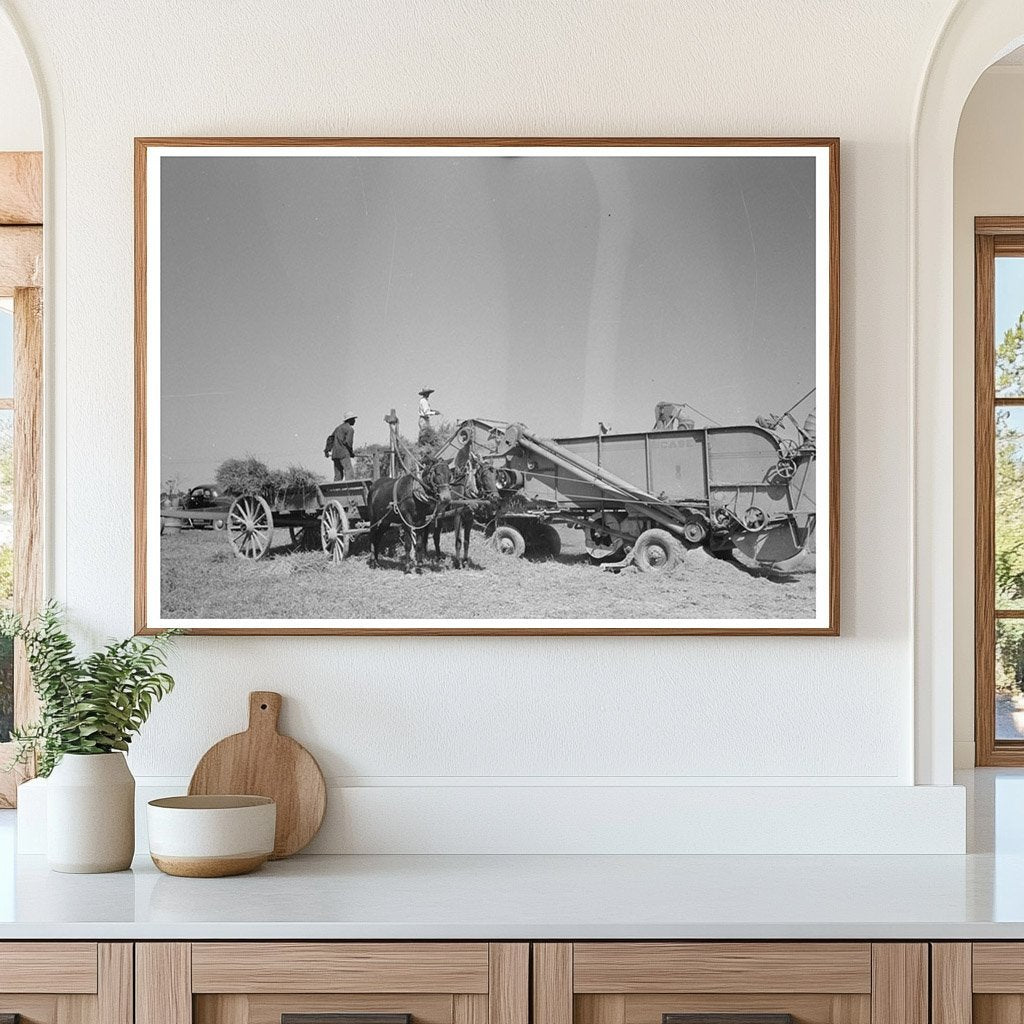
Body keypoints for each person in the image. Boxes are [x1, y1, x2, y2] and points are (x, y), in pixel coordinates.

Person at [324, 412, 357, 481]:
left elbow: (330, 439)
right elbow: (348, 443)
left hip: (335, 454)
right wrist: (351, 453)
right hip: (344, 454)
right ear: (350, 420)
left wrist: (327, 450)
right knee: (349, 472)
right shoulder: (350, 429)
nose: (355, 421)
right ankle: (350, 490)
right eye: (353, 419)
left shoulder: (338, 428)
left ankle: (336, 490)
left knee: (338, 475)